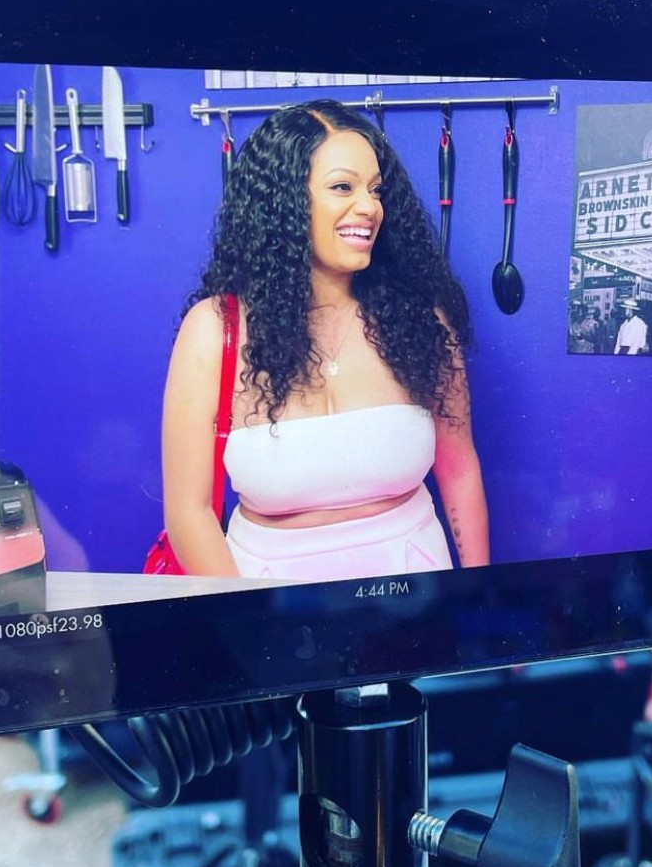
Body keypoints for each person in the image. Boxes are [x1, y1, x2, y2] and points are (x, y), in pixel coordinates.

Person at [161, 99, 489, 581]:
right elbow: (188, 512)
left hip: (415, 595)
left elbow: (458, 468)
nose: (370, 207)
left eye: (375, 189)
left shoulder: (421, 320)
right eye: (343, 187)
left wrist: (478, 591)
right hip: (268, 599)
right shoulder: (214, 329)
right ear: (285, 202)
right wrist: (253, 616)